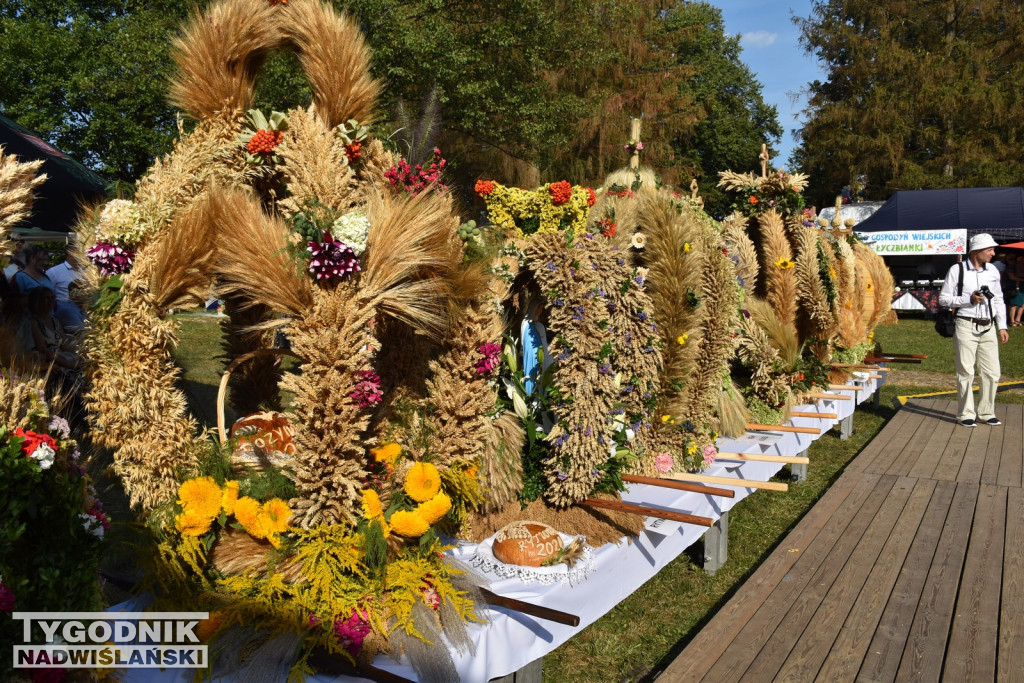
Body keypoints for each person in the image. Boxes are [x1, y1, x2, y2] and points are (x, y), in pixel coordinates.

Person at [938, 233, 1009, 427]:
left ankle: (986, 412)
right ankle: (966, 413)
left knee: (992, 372)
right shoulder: (957, 270)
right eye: (990, 250)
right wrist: (967, 300)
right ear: (977, 251)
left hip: (988, 326)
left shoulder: (993, 271)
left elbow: (998, 299)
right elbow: (943, 299)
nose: (993, 253)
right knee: (966, 371)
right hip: (965, 323)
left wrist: (1002, 325)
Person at [46, 250, 86, 332]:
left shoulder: (86, 271)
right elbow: (48, 293)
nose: (82, 256)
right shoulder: (54, 272)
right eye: (79, 253)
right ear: (70, 254)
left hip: (84, 310)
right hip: (65, 314)